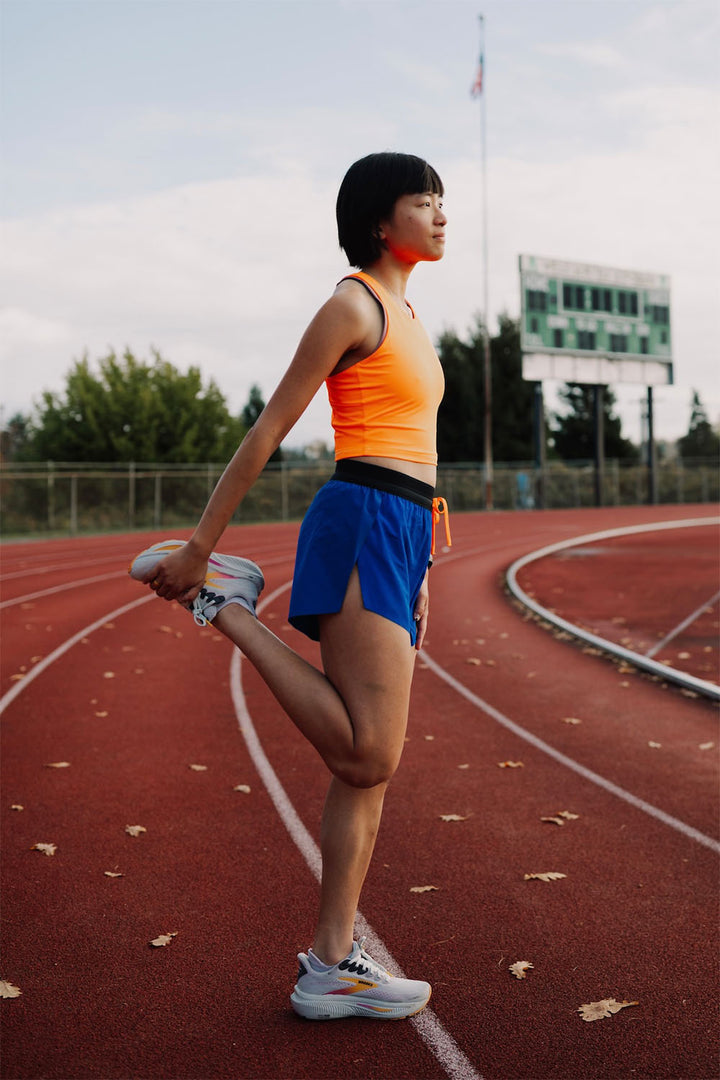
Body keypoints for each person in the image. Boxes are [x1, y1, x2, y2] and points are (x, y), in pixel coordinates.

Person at [129, 151, 451, 1020]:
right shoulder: (351, 304)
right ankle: (225, 603)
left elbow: (415, 441)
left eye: (442, 201)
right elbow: (270, 427)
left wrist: (420, 563)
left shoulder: (411, 311)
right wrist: (201, 546)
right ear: (382, 221)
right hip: (363, 518)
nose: (443, 214)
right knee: (369, 752)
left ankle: (330, 964)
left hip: (401, 529)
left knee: (367, 776)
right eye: (427, 201)